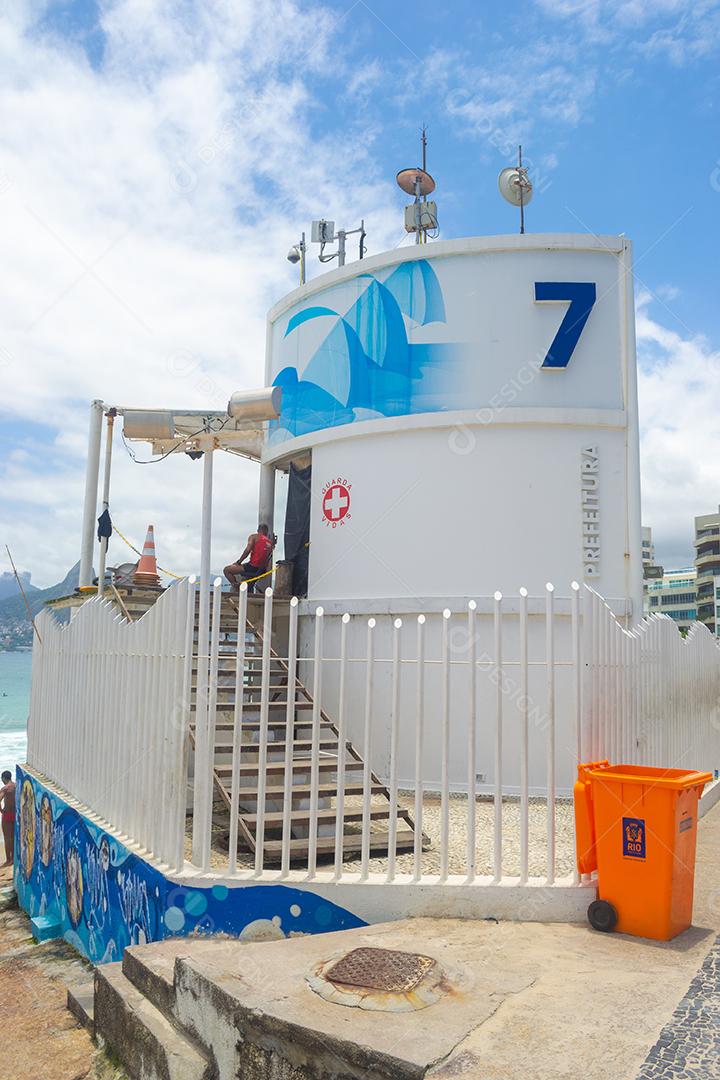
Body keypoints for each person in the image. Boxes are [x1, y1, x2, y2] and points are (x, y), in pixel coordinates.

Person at [224, 524, 276, 594]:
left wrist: (238, 562)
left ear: (258, 530)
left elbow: (247, 550)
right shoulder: (270, 543)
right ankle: (246, 589)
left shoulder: (253, 537)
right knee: (249, 580)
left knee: (227, 570)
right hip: (262, 570)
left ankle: (236, 586)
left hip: (252, 567)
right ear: (266, 532)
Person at [0, 771, 15, 867]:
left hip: (7, 814)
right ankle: (13, 858)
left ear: (4, 778)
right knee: (13, 836)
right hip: (15, 813)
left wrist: (1, 810)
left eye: (1, 778)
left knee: (7, 838)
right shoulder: (16, 786)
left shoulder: (5, 789)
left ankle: (8, 860)